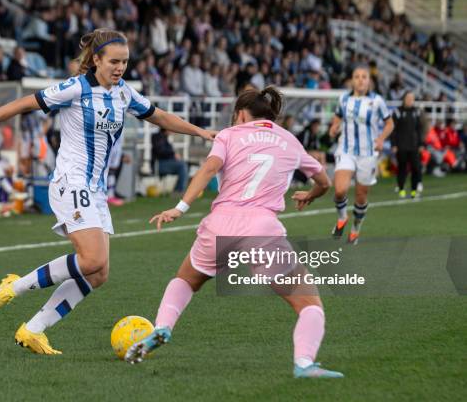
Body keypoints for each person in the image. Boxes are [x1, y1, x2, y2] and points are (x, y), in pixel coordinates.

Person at [0, 28, 215, 355]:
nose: (119, 68)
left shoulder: (123, 93)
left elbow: (159, 116)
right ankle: (14, 286)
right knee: (92, 258)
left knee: (99, 272)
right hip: (70, 182)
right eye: (114, 61)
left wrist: (201, 132)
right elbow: (22, 104)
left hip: (96, 190)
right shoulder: (76, 87)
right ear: (97, 60)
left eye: (125, 62)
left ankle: (33, 329)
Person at [124, 87, 343, 379]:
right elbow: (325, 181)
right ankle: (304, 364)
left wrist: (179, 208)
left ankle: (163, 326)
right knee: (309, 304)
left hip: (219, 224)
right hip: (261, 228)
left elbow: (208, 168)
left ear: (240, 114)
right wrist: (311, 194)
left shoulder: (228, 134)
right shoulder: (290, 140)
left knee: (186, 280)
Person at [328, 66, 394, 245]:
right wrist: (334, 127)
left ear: (369, 81)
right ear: (352, 80)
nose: (360, 79)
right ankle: (342, 218)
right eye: (357, 76)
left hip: (368, 154)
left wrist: (381, 139)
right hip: (346, 150)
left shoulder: (377, 101)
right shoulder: (344, 99)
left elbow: (389, 123)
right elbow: (337, 117)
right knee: (340, 190)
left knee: (360, 196)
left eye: (364, 77)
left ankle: (356, 229)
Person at [391, 91, 423, 198]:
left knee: (416, 168)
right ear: (404, 98)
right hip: (401, 145)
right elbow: (393, 130)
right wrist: (394, 144)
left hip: (413, 145)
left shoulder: (416, 112)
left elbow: (419, 129)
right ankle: (401, 189)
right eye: (408, 98)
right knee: (402, 168)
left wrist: (420, 144)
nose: (410, 100)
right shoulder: (398, 112)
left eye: (412, 98)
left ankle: (414, 190)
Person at [152, 127, 188, 192]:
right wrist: (173, 154)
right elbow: (160, 151)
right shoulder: (157, 137)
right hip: (158, 164)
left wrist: (174, 156)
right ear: (166, 128)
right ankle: (179, 190)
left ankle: (179, 189)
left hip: (164, 163)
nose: (173, 131)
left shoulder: (164, 138)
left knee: (184, 164)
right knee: (182, 165)